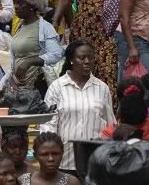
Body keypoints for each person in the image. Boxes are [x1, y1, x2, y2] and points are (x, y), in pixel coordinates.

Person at [46, 40, 114, 171]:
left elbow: (110, 124)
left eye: (91, 57)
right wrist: (51, 153)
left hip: (95, 162)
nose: (87, 61)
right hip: (65, 162)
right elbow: (48, 124)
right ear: (71, 60)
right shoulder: (57, 87)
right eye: (82, 57)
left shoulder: (102, 88)